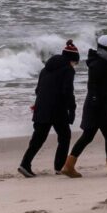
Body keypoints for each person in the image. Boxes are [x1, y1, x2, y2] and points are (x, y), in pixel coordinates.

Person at [63, 37, 107, 176]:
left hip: (99, 103)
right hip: (98, 105)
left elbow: (105, 87)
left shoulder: (104, 60)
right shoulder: (100, 63)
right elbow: (96, 87)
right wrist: (103, 103)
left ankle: (70, 165)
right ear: (105, 48)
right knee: (103, 134)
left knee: (95, 135)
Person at [18, 39, 80, 178]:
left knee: (38, 139)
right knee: (64, 136)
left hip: (41, 107)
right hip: (57, 109)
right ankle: (59, 167)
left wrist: (41, 103)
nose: (75, 66)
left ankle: (25, 164)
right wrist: (72, 108)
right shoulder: (68, 70)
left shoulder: (45, 69)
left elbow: (38, 90)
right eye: (75, 63)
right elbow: (67, 91)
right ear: (72, 60)